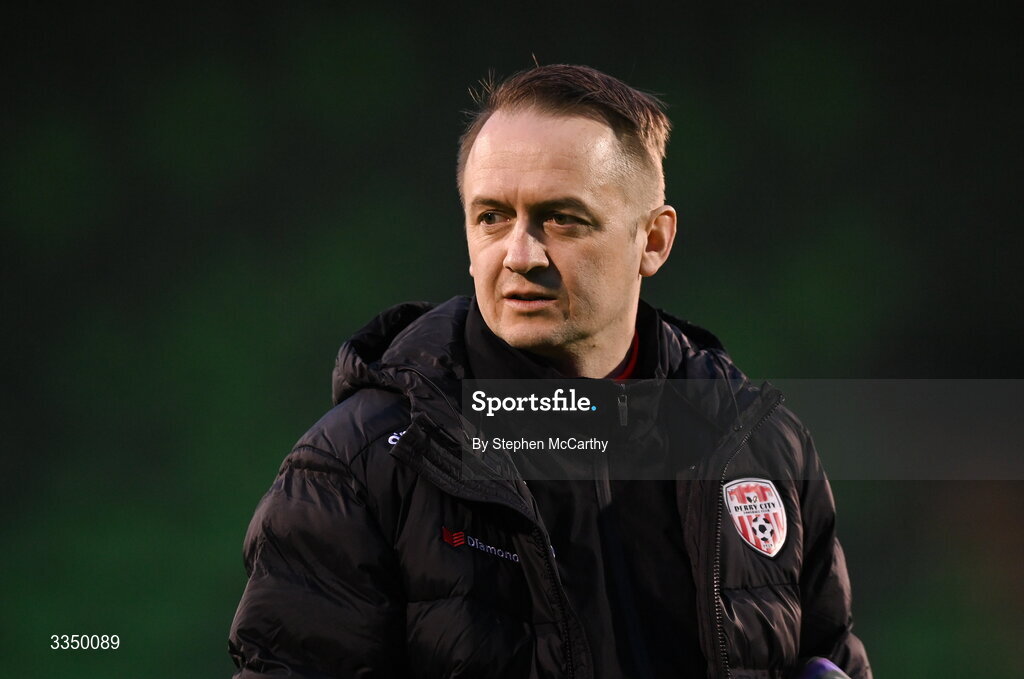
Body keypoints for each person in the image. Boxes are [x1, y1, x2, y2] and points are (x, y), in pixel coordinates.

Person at [228, 64, 871, 679]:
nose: (520, 254)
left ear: (653, 240)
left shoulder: (765, 448)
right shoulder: (358, 464)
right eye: (492, 218)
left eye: (562, 218)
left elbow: (828, 658)